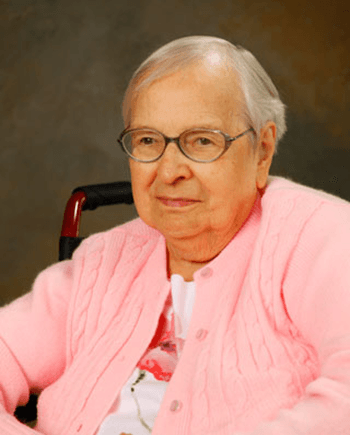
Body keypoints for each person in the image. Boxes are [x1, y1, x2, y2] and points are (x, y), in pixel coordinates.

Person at [1, 35, 350, 435]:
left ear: (263, 150)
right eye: (148, 140)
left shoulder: (321, 239)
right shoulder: (103, 262)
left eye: (201, 141)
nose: (169, 172)